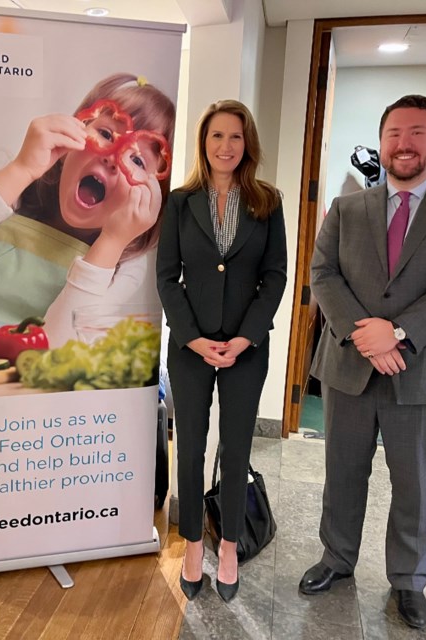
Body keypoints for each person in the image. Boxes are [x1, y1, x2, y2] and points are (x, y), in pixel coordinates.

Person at [301, 95, 426, 629]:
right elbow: (323, 274)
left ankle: (409, 581)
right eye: (393, 133)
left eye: (416, 132)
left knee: (415, 483)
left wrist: (399, 333)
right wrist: (368, 337)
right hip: (350, 367)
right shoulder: (346, 209)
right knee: (342, 472)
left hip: (425, 372)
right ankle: (336, 559)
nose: (403, 143)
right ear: (381, 140)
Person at [157, 100, 287, 603]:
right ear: (203, 143)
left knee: (236, 451)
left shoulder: (268, 201)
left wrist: (244, 338)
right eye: (216, 136)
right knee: (190, 448)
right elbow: (168, 276)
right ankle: (193, 544)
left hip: (245, 349)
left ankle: (229, 546)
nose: (225, 146)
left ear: (246, 143)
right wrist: (191, 336)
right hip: (190, 347)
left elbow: (275, 276)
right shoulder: (180, 202)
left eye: (235, 137)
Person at [0, 72, 175, 352]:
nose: (113, 157)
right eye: (105, 134)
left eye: (137, 159)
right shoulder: (13, 195)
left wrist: (112, 242)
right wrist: (21, 169)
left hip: (28, 389)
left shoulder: (127, 263)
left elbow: (60, 347)